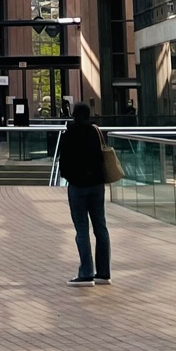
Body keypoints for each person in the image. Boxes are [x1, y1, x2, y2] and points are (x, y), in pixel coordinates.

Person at [57, 99, 111, 285]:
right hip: (97, 185)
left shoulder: (69, 135)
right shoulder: (96, 132)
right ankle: (103, 272)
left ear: (73, 115)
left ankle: (86, 272)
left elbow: (63, 164)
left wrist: (72, 177)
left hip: (78, 186)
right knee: (100, 226)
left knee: (82, 230)